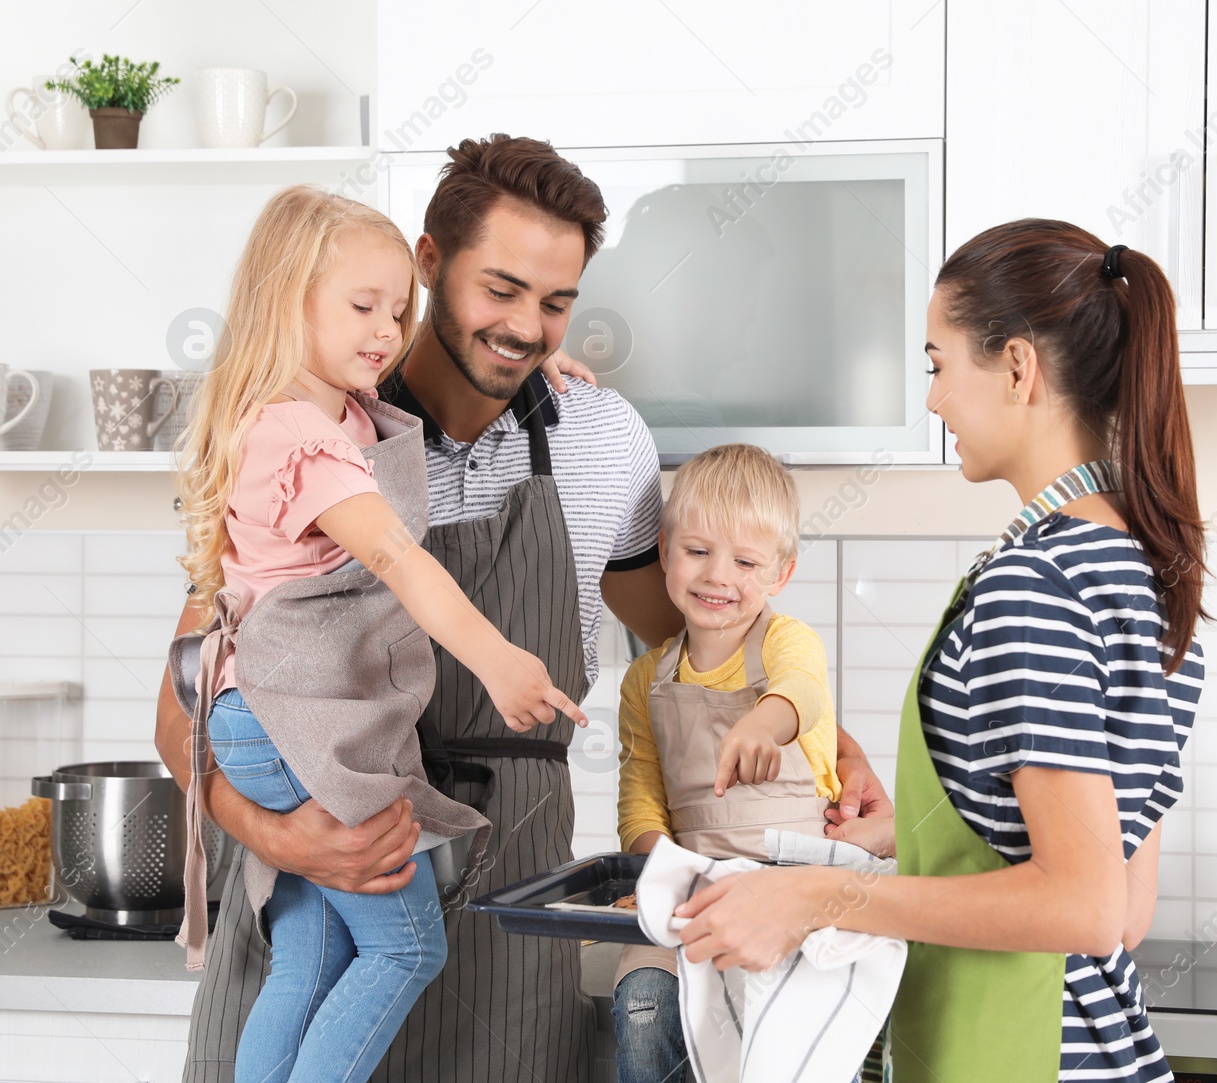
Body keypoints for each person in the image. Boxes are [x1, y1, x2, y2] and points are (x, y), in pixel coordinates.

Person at [154, 134, 893, 1083]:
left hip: (508, 919)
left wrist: (828, 744)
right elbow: (190, 707)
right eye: (498, 291)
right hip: (320, 881)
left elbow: (703, 641)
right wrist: (277, 835)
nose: (526, 328)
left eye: (555, 303)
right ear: (426, 265)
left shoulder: (600, 442)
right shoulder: (314, 423)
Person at [671, 222, 1209, 1082]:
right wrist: (914, 835)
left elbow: (1081, 901)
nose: (933, 401)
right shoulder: (1143, 565)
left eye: (938, 364)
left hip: (1021, 1058)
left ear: (1020, 368)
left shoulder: (1036, 584)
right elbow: (1123, 907)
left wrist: (812, 898)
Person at [168, 184, 587, 1083]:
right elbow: (399, 558)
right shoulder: (300, 439)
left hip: (275, 717)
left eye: (399, 311)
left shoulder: (332, 412)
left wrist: (538, 362)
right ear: (288, 302)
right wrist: (501, 660)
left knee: (312, 960)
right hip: (301, 724)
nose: (386, 331)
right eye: (363, 306)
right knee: (405, 952)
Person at [610, 444, 841, 1083]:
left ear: (780, 573)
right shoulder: (644, 679)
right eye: (697, 551)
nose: (718, 576)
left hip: (794, 889)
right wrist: (660, 870)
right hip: (692, 895)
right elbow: (641, 792)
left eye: (745, 561)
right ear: (663, 550)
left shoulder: (788, 642)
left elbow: (803, 688)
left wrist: (766, 723)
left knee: (795, 1039)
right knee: (644, 1007)